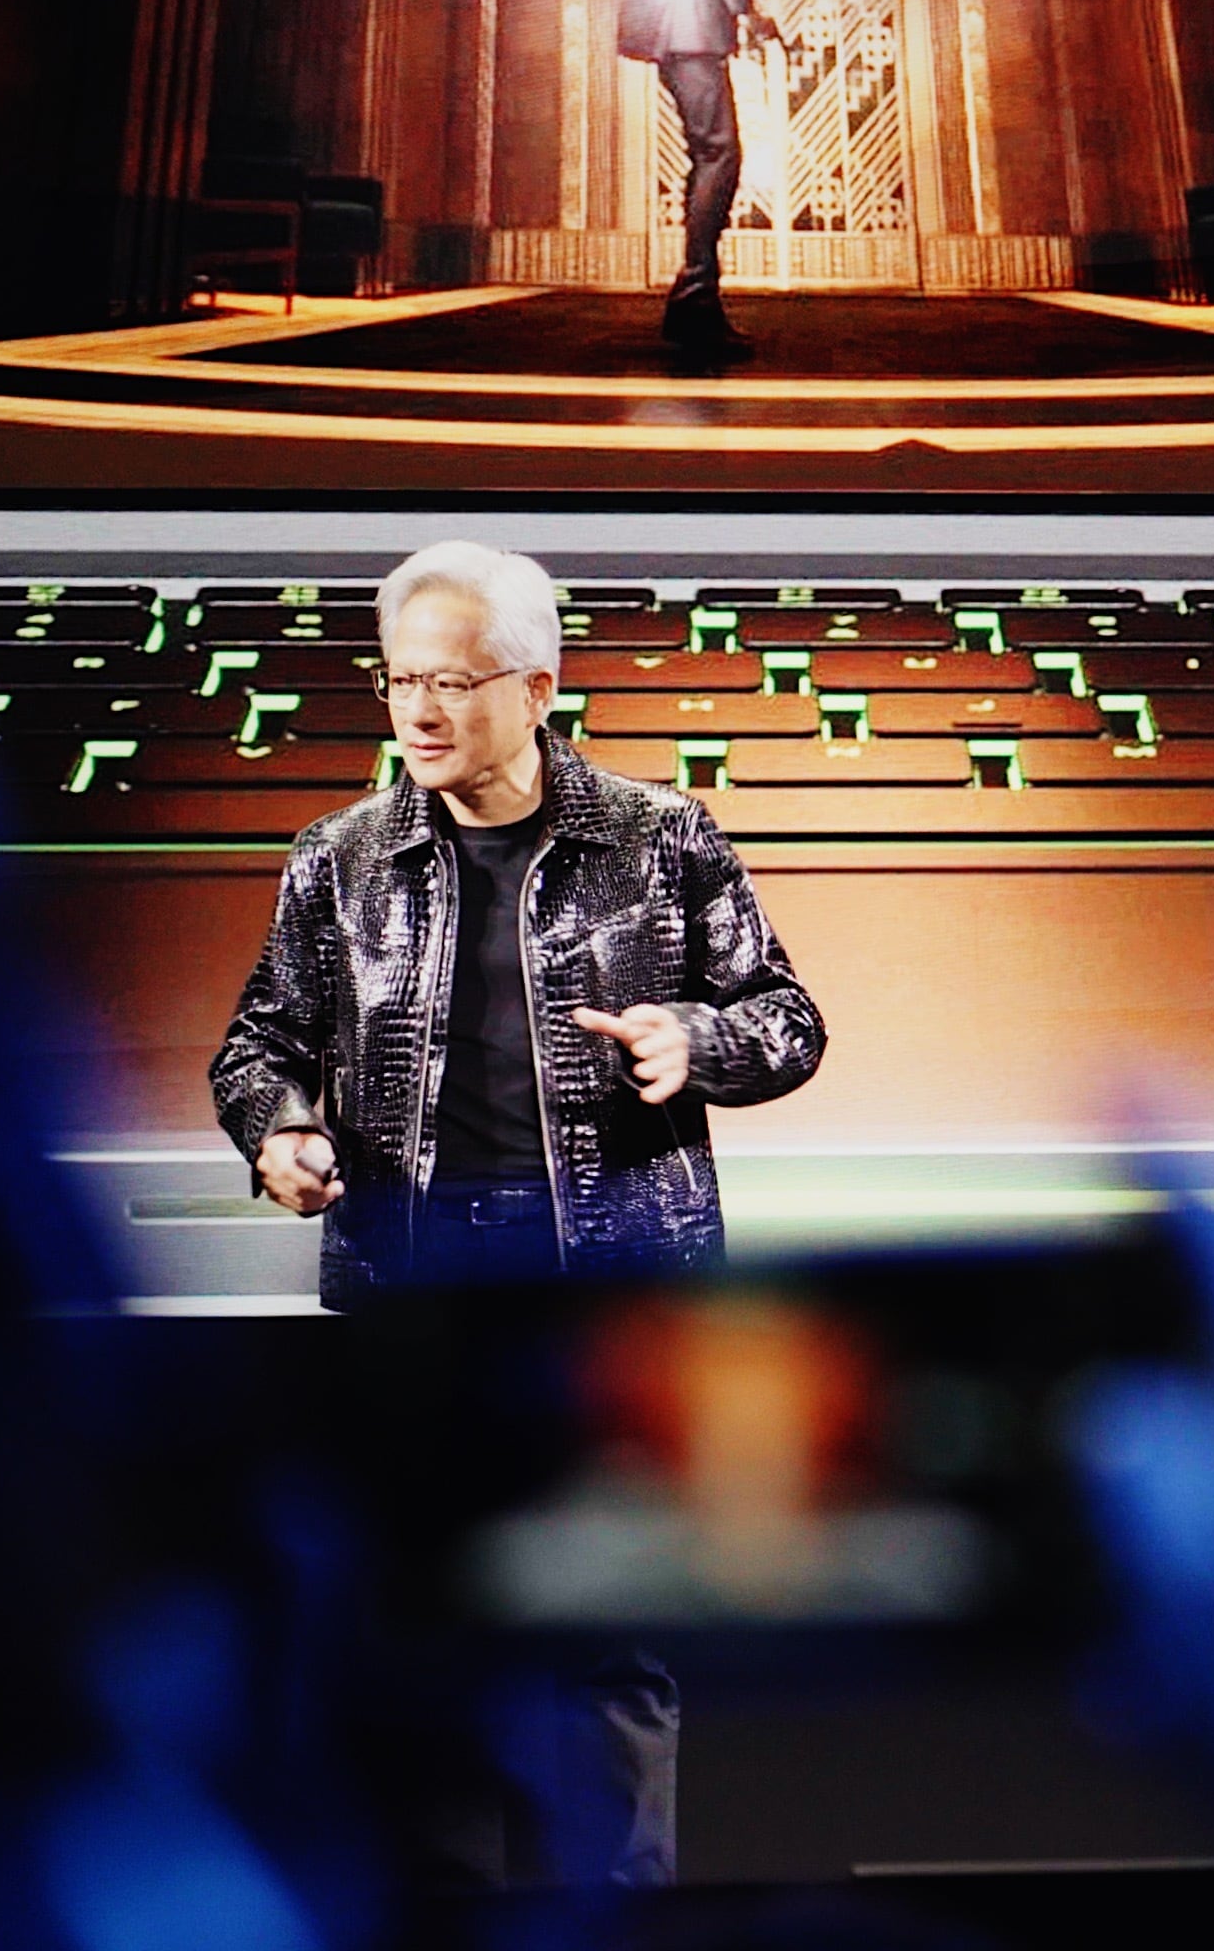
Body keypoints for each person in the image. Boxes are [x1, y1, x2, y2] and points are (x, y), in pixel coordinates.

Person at [211, 539, 825, 1889]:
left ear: (538, 686)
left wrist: (694, 1042)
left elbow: (789, 1019)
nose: (421, 711)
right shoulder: (338, 864)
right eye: (400, 681)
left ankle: (617, 1911)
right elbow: (258, 1050)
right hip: (417, 1306)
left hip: (610, 1303)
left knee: (616, 1652)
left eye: (456, 680)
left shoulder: (661, 841)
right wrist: (286, 1132)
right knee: (410, 1640)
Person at [617, 0, 780, 355]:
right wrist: (748, 11)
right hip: (692, 25)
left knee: (706, 153)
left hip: (664, 26)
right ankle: (695, 296)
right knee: (720, 152)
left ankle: (694, 298)